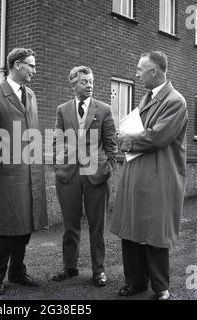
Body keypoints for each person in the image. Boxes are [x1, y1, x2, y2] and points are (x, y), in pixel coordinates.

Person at [110, 51, 188, 300]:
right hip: (137, 173)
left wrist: (127, 139)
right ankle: (135, 282)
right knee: (131, 227)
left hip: (159, 176)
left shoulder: (175, 101)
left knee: (155, 232)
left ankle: (160, 287)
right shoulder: (147, 98)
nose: (136, 73)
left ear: (154, 71)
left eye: (139, 69)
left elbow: (157, 136)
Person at [0, 48, 48, 294]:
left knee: (25, 223)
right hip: (5, 172)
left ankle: (17, 271)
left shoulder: (30, 94)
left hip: (30, 170)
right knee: (4, 226)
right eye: (31, 65)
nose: (34, 69)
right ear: (17, 65)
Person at [52, 66, 117, 286]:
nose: (89, 85)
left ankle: (99, 270)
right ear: (73, 85)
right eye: (84, 82)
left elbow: (111, 143)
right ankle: (69, 268)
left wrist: (107, 167)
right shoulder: (63, 109)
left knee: (97, 226)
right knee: (70, 225)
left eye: (91, 81)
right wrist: (58, 164)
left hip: (95, 173)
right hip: (68, 173)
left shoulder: (104, 109)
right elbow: (58, 140)